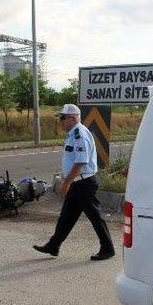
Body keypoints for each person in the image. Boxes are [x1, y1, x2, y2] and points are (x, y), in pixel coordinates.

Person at [33, 104, 115, 261]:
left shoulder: (79, 134)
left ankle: (108, 248)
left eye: (62, 118)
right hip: (77, 183)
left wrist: (66, 182)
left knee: (95, 216)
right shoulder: (72, 134)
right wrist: (68, 180)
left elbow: (80, 162)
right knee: (67, 216)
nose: (60, 121)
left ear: (72, 118)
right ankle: (53, 245)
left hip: (83, 183)